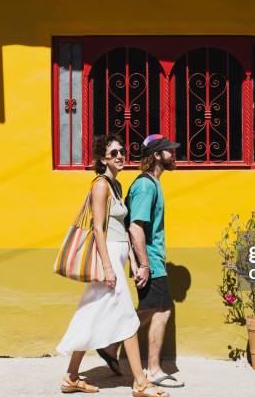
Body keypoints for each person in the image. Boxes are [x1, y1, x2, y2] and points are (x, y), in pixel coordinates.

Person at [56, 134, 169, 397]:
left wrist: (133, 261)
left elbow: (122, 229)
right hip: (107, 259)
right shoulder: (100, 185)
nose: (120, 156)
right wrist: (108, 267)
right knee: (128, 317)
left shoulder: (116, 186)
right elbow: (97, 228)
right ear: (102, 159)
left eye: (122, 151)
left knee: (90, 315)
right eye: (114, 153)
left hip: (118, 256)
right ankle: (140, 382)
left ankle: (71, 377)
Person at [100, 134, 185, 388]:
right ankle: (153, 369)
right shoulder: (146, 186)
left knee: (152, 309)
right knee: (161, 309)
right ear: (157, 156)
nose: (174, 153)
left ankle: (111, 346)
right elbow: (135, 227)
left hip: (152, 259)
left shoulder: (152, 184)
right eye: (169, 150)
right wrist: (144, 264)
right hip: (151, 261)